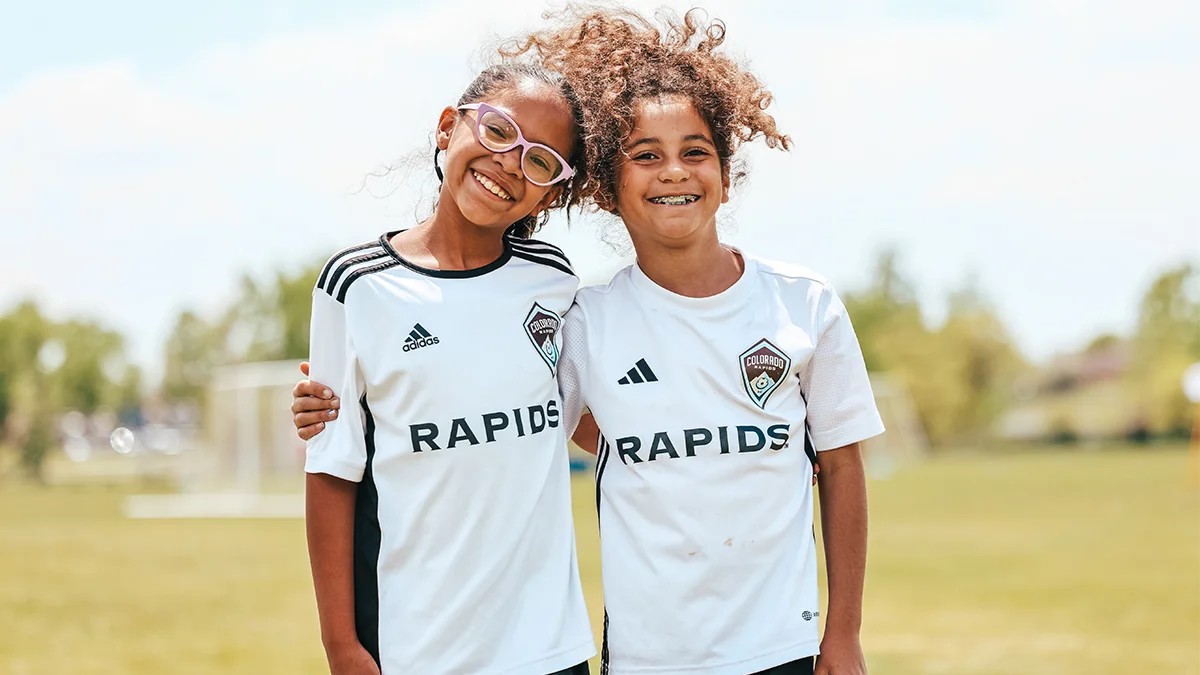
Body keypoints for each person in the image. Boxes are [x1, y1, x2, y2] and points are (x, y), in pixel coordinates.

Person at [296, 8, 884, 675]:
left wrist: (731, 456)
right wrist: (325, 403)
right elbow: (361, 452)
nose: (673, 172)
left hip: (652, 647)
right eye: (646, 156)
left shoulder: (565, 287)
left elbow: (833, 462)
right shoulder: (392, 288)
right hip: (540, 652)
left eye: (695, 151)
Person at [302, 60, 595, 675]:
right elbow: (332, 470)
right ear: (447, 128)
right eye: (497, 133)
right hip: (418, 647)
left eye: (540, 160)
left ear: (552, 190)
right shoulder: (355, 285)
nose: (510, 164)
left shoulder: (552, 280)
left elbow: (592, 417)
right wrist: (342, 645)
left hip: (549, 645)